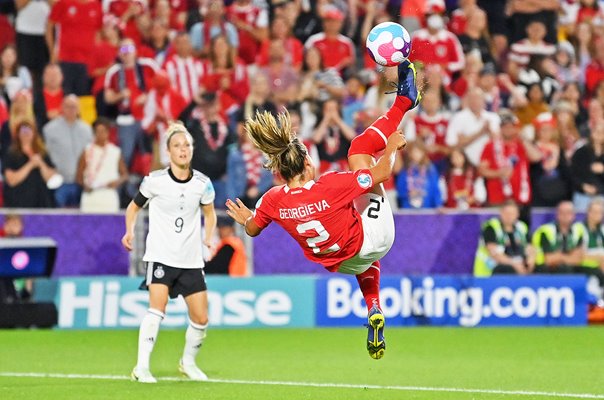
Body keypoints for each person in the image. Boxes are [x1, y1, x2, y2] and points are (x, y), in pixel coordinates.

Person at [226, 60, 420, 360]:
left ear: (279, 171)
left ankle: (374, 308)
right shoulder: (329, 185)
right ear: (307, 164)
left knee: (358, 250)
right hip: (375, 239)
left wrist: (248, 219)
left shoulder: (273, 200)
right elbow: (381, 173)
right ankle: (404, 102)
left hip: (341, 262)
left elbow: (252, 230)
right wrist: (392, 147)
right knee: (359, 150)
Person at [121, 122, 217, 383]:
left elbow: (209, 214)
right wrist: (129, 231)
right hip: (161, 255)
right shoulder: (155, 181)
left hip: (190, 259)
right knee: (157, 309)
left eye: (186, 145)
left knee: (201, 318)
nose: (183, 149)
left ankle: (187, 362)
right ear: (169, 152)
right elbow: (133, 208)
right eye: (177, 146)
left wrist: (209, 238)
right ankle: (141, 367)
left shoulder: (203, 184)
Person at [77, 118, 129, 213]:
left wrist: (116, 182)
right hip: (90, 196)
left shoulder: (115, 151)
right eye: (98, 131)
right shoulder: (86, 151)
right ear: (93, 133)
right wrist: (85, 186)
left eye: (103, 131)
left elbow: (125, 175)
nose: (100, 134)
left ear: (108, 132)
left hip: (108, 196)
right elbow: (79, 176)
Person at [474, 200, 535, 277]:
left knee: (539, 268)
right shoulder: (491, 227)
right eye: (506, 213)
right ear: (501, 213)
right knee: (507, 269)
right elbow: (494, 253)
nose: (509, 216)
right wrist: (515, 264)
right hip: (489, 272)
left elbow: (530, 248)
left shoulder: (522, 228)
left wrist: (530, 262)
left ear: (518, 214)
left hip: (518, 267)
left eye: (512, 213)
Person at [531, 201, 585, 275]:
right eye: (562, 212)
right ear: (557, 214)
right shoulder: (546, 231)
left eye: (568, 212)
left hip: (569, 266)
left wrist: (560, 256)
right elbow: (549, 259)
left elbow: (577, 259)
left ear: (574, 215)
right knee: (564, 269)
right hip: (544, 268)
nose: (565, 215)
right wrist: (568, 257)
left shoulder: (578, 230)